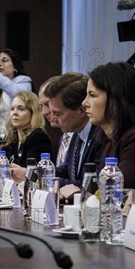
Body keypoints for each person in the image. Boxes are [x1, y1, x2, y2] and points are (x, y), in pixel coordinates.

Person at [82, 62, 135, 192]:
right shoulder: (108, 138)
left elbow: (111, 191)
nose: (84, 103)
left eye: (92, 95)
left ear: (116, 99)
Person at [45, 72, 102, 202]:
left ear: (81, 111)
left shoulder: (101, 136)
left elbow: (91, 185)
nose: (52, 119)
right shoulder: (77, 133)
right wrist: (35, 173)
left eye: (57, 113)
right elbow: (66, 171)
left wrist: (61, 185)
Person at [0, 91, 52, 182]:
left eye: (21, 109)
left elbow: (32, 175)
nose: (14, 113)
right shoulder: (12, 139)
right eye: (12, 109)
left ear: (33, 113)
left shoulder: (38, 137)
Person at [38, 76, 71, 167]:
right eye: (41, 106)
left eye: (47, 104)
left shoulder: (82, 138)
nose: (44, 112)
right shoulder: (64, 137)